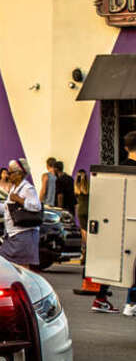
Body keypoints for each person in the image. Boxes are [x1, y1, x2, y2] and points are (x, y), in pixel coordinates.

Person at [91, 131, 136, 314]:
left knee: (112, 260)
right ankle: (131, 303)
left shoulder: (117, 171)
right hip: (132, 223)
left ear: (125, 148)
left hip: (114, 224)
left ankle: (101, 298)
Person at [0, 159, 42, 269]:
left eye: (10, 172)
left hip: (24, 233)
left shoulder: (27, 188)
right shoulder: (13, 189)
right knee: (7, 265)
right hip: (12, 233)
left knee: (23, 267)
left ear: (19, 174)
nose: (8, 175)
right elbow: (7, 208)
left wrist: (19, 199)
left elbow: (37, 206)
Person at [75, 169, 89, 257]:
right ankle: (88, 246)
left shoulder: (77, 187)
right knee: (88, 230)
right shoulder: (88, 187)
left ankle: (85, 248)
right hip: (88, 209)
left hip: (80, 210)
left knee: (83, 230)